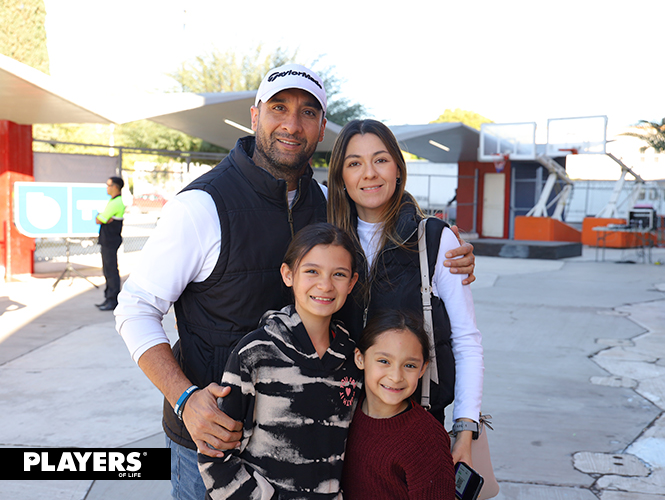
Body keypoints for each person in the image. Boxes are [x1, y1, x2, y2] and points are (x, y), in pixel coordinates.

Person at [115, 63, 476, 500]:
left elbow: (380, 214)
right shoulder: (201, 206)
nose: (291, 124)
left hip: (312, 452)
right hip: (215, 442)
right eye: (278, 107)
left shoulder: (326, 205)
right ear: (254, 116)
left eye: (308, 112)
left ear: (322, 128)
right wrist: (186, 398)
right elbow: (135, 308)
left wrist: (445, 246)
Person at [327, 119, 484, 467]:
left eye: (380, 160)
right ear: (340, 177)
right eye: (354, 163)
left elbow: (466, 340)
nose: (369, 173)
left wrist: (465, 428)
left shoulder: (434, 240)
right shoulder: (326, 243)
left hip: (416, 428)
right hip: (339, 430)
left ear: (398, 169)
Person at [198, 223, 360, 499]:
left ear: (352, 283)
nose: (325, 285)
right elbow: (215, 457)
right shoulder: (255, 353)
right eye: (312, 271)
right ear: (288, 275)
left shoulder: (353, 361)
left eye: (339, 274)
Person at [342, 309, 455, 499]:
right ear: (360, 358)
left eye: (409, 365)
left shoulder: (427, 440)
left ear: (423, 369)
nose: (396, 377)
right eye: (384, 361)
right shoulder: (345, 412)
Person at [95, 176, 126, 311]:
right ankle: (108, 298)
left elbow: (99, 219)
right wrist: (103, 218)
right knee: (107, 270)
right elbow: (102, 218)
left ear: (115, 187)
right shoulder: (113, 201)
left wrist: (102, 218)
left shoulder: (116, 202)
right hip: (107, 240)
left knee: (111, 270)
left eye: (108, 185)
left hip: (110, 241)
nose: (107, 188)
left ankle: (113, 300)